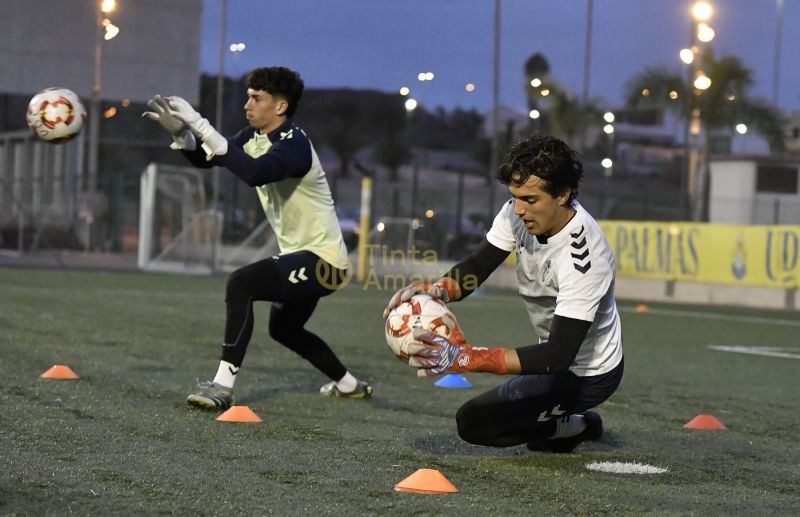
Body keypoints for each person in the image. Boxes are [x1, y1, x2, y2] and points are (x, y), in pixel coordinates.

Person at [143, 66, 372, 409]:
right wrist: (183, 135)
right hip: (304, 256)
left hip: (326, 263)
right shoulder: (252, 137)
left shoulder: (295, 145)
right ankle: (350, 384)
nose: (247, 105)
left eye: (256, 98)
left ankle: (222, 386)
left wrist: (200, 122)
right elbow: (209, 159)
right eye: (248, 96)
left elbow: (255, 173)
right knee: (284, 330)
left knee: (242, 283)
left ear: (280, 107)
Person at [383, 135, 623, 452]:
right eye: (515, 197)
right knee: (474, 421)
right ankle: (560, 425)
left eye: (530, 199)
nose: (519, 209)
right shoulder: (515, 212)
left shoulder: (585, 260)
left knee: (484, 426)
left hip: (587, 375)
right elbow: (478, 266)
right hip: (551, 363)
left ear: (563, 194)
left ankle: (578, 424)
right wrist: (437, 290)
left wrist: (467, 358)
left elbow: (558, 354)